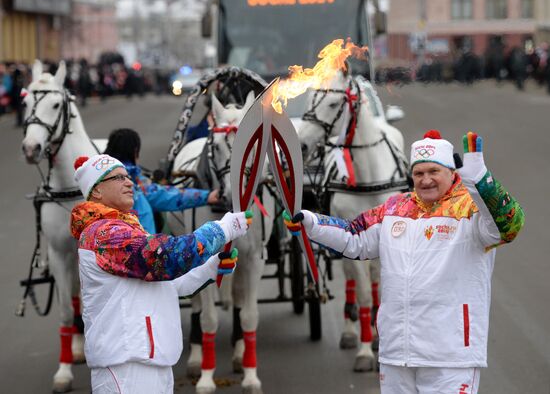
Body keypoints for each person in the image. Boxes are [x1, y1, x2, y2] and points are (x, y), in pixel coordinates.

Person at [284, 130, 524, 394]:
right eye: (419, 173)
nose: (426, 180)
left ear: (451, 172)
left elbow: (510, 225)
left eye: (434, 171)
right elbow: (353, 236)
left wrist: (482, 182)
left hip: (450, 357)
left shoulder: (471, 211)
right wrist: (310, 222)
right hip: (397, 354)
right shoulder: (395, 208)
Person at [70, 153, 252, 393]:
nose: (129, 182)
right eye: (118, 178)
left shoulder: (129, 228)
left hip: (149, 360)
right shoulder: (103, 234)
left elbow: (168, 284)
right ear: (97, 191)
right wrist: (222, 229)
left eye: (127, 176)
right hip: (125, 366)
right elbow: (165, 258)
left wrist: (211, 268)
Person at [104, 128, 218, 234]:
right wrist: (206, 196)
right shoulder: (135, 181)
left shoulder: (99, 181)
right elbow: (166, 196)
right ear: (134, 152)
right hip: (142, 248)